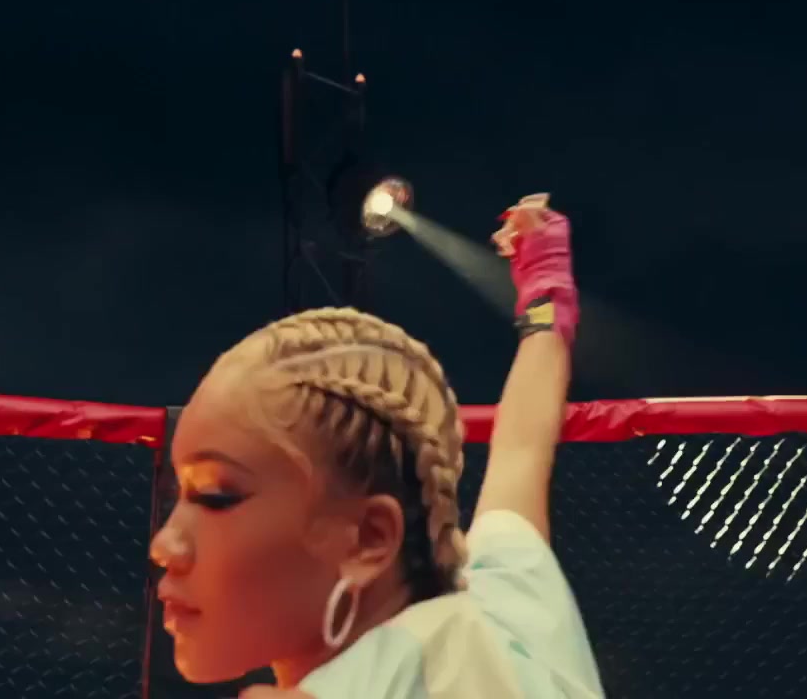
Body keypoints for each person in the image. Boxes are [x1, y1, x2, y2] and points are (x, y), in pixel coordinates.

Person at [149, 193, 606, 698]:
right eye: (179, 497)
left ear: (369, 537)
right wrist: (545, 281)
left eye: (217, 495)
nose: (163, 546)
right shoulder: (506, 599)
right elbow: (522, 447)